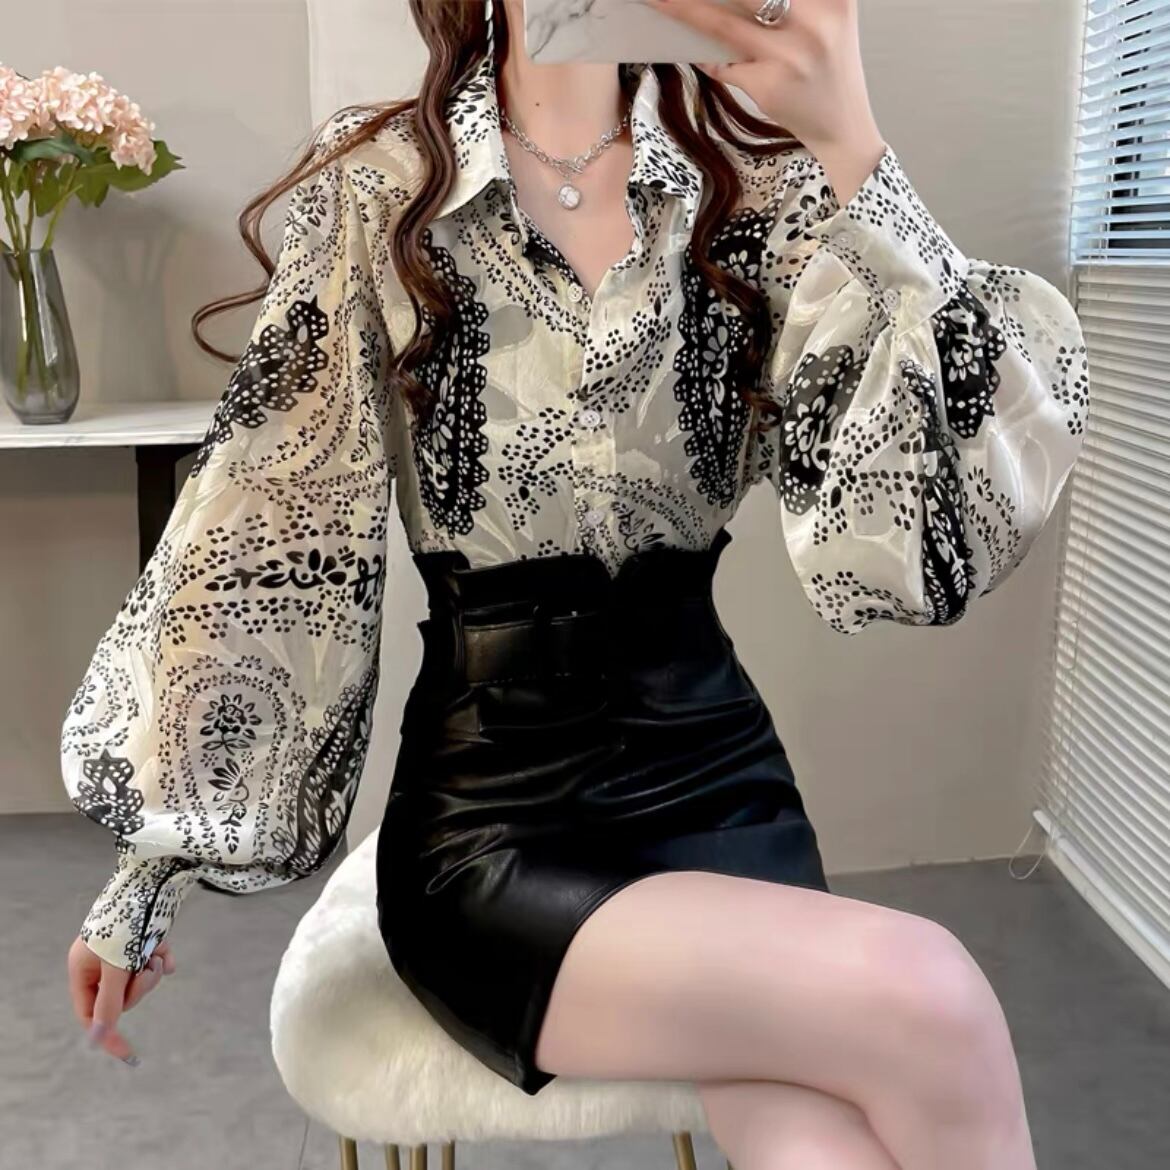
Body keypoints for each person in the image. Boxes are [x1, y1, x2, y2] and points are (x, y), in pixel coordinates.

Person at [63, 0, 1088, 1166]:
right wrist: (151, 870)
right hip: (497, 823)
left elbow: (917, 534)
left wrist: (852, 142)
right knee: (934, 992)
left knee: (822, 1146)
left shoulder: (758, 188)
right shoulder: (379, 189)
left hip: (720, 781)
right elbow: (264, 522)